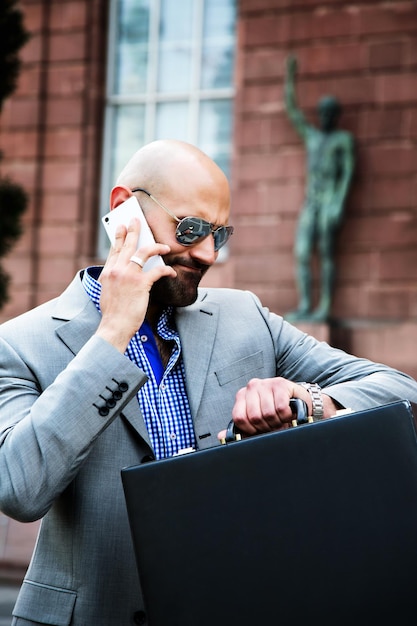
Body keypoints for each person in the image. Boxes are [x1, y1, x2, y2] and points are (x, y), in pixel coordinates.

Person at [0, 139, 416, 626]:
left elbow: (397, 388)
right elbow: (20, 489)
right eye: (190, 228)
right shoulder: (20, 344)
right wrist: (113, 334)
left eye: (219, 234)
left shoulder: (245, 317)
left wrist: (308, 399)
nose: (206, 253)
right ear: (123, 209)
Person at [284, 54, 355, 321]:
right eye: (322, 111)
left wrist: (338, 202)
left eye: (329, 112)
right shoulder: (312, 136)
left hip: (329, 201)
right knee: (302, 252)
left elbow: (348, 173)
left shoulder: (343, 140)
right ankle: (305, 304)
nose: (324, 116)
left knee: (326, 253)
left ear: (336, 116)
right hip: (311, 201)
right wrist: (290, 78)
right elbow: (292, 110)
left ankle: (324, 306)